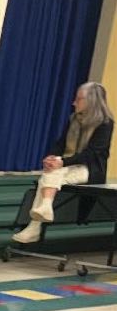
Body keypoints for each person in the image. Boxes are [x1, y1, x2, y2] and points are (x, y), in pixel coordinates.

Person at [12, 82, 114, 243]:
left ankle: (35, 224)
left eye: (78, 99)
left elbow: (93, 153)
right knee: (52, 171)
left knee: (51, 174)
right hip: (67, 164)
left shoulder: (105, 123)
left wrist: (62, 162)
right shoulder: (73, 118)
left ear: (91, 101)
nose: (74, 102)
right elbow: (60, 144)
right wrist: (52, 157)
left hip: (90, 169)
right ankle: (44, 209)